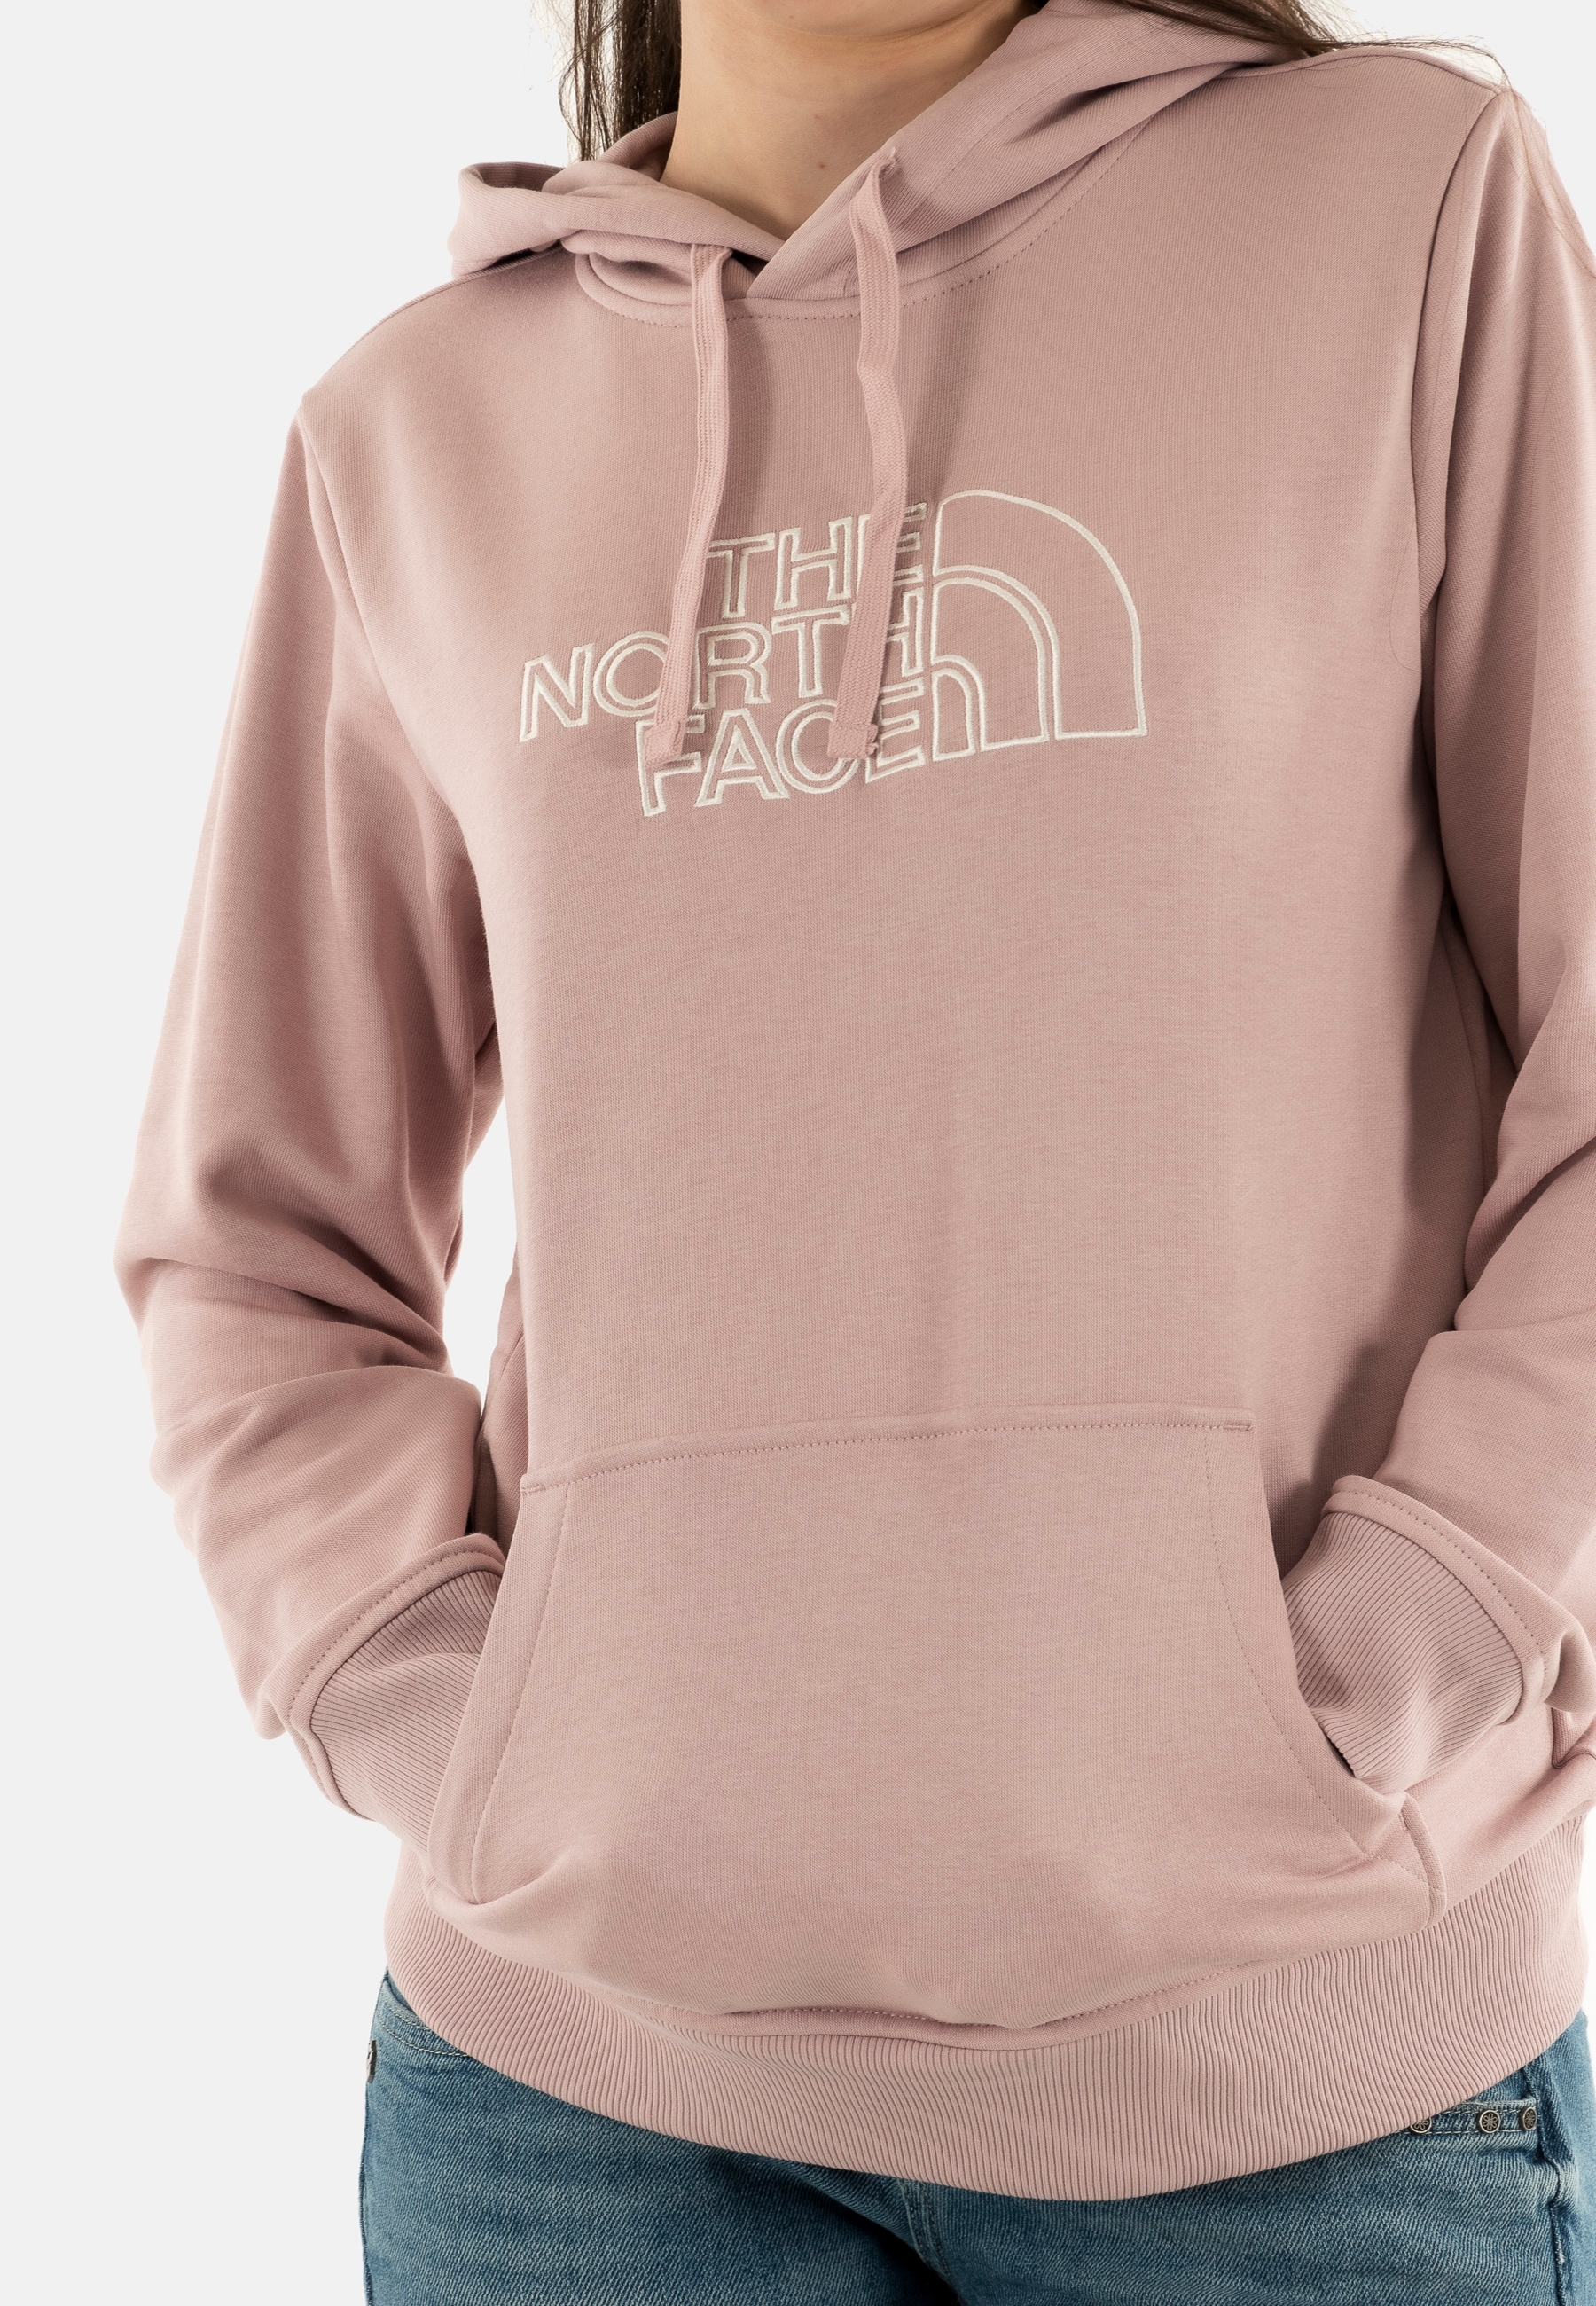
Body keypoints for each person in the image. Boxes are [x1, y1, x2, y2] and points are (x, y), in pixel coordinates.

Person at [114, 0, 1596, 2294]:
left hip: (1302, 2100)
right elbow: (254, 1239)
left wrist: (1435, 1619)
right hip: (570, 2126)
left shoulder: (1395, 202)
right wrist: (439, 1708)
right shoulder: (414, 425)